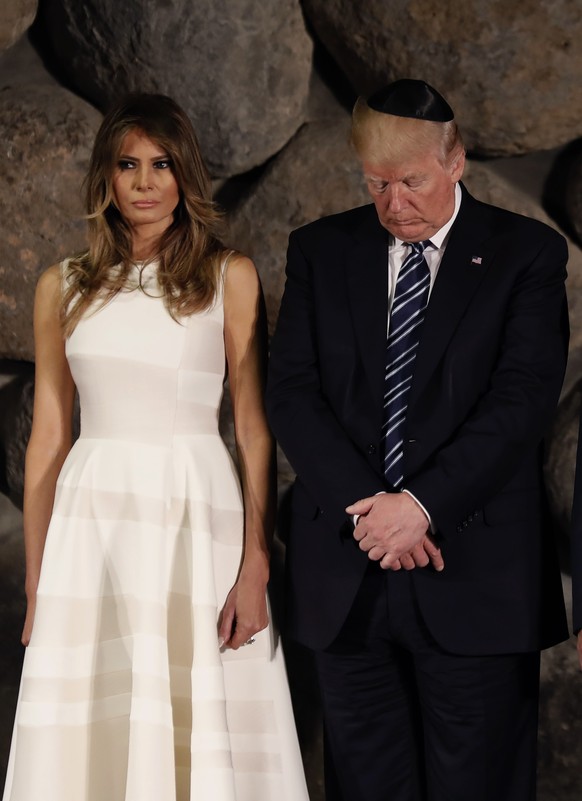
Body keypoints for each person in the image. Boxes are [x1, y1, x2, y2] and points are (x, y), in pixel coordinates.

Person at [266, 78, 569, 801]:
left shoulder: (526, 253)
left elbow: (521, 401)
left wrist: (422, 506)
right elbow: (293, 392)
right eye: (375, 184)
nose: (394, 204)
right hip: (349, 571)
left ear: (455, 161)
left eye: (411, 181)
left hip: (475, 575)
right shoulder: (320, 249)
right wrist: (372, 510)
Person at [3, 93, 309, 801]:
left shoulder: (228, 276)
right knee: (93, 726)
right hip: (93, 524)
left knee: (199, 699)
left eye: (162, 164)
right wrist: (36, 576)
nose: (145, 181)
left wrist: (256, 560)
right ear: (106, 177)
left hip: (193, 512)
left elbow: (253, 427)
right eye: (128, 164)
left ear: (186, 175)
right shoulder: (63, 285)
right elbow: (49, 435)